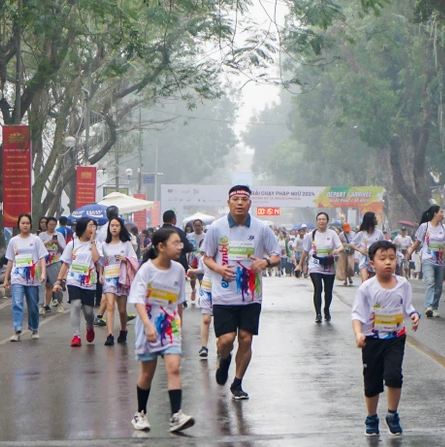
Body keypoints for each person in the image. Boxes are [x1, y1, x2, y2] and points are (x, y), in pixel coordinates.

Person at [200, 185, 282, 400]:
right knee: (226, 340)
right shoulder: (216, 228)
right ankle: (223, 358)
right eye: (235, 199)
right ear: (228, 203)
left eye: (243, 199)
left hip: (251, 295)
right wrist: (218, 268)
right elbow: (206, 257)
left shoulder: (261, 228)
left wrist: (265, 262)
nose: (239, 203)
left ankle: (237, 383)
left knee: (245, 339)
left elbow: (276, 256)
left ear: (249, 203)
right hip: (224, 295)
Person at [129, 226, 195, 433]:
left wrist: (179, 329)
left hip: (170, 327)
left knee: (173, 368)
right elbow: (138, 301)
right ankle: (140, 413)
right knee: (147, 374)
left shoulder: (179, 270)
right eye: (175, 243)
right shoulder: (146, 270)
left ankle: (176, 415)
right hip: (148, 325)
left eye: (181, 243)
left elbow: (178, 303)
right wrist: (148, 326)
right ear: (161, 246)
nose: (180, 246)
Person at [351, 240, 420, 437]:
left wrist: (414, 315)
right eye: (382, 259)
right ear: (372, 263)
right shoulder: (367, 288)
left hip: (395, 338)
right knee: (372, 381)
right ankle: (371, 417)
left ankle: (392, 413)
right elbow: (357, 315)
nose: (388, 262)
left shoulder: (403, 284)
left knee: (393, 375)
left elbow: (408, 307)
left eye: (392, 258)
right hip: (372, 339)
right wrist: (358, 334)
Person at [58, 217, 101, 347]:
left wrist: (92, 242)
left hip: (89, 281)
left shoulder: (97, 244)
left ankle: (89, 327)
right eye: (90, 226)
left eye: (94, 226)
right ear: (82, 228)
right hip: (74, 280)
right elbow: (65, 264)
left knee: (88, 311)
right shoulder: (72, 244)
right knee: (76, 305)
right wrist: (59, 280)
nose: (93, 229)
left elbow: (96, 259)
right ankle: (76, 336)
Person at [5, 214, 46, 342]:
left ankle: (34, 328)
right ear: (19, 224)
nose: (25, 225)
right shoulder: (13, 241)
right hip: (17, 277)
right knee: (17, 303)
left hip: (32, 278)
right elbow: (10, 260)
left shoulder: (36, 240)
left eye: (27, 223)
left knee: (33, 304)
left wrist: (43, 273)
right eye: (23, 223)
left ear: (31, 224)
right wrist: (6, 278)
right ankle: (17, 330)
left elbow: (42, 257)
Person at [410, 205, 445, 318]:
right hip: (427, 259)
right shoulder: (424, 227)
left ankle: (435, 307)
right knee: (430, 281)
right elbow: (417, 242)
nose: (443, 214)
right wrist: (409, 252)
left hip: (441, 261)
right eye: (441, 212)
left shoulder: (444, 228)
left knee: (438, 286)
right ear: (435, 213)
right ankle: (428, 306)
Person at [100, 216, 139, 346]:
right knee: (110, 305)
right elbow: (101, 262)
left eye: (117, 225)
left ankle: (123, 329)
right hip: (109, 277)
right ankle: (110, 334)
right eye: (112, 225)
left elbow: (134, 259)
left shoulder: (126, 244)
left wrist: (125, 259)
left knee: (122, 310)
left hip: (122, 278)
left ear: (121, 227)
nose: (114, 228)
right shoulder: (104, 245)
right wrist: (100, 274)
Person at [300, 212, 341, 323]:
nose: (321, 221)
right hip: (315, 264)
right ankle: (318, 314)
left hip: (329, 265)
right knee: (318, 288)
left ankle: (326, 309)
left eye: (323, 219)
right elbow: (305, 251)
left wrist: (337, 250)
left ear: (327, 221)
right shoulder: (311, 235)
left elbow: (340, 246)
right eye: (319, 219)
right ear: (317, 221)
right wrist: (299, 265)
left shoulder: (332, 234)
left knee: (328, 291)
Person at [39, 216, 66, 314]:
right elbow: (37, 248)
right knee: (41, 285)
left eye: (54, 225)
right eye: (50, 224)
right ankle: (41, 305)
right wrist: (47, 243)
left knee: (56, 283)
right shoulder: (41, 235)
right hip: (42, 263)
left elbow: (63, 250)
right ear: (47, 225)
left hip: (55, 261)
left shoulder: (59, 235)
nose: (52, 227)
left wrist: (57, 243)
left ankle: (59, 303)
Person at [351, 211, 386, 283]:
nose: (376, 220)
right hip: (364, 259)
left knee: (372, 281)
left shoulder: (379, 233)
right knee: (365, 280)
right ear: (370, 220)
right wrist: (360, 250)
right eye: (374, 218)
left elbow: (384, 244)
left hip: (374, 259)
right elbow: (352, 244)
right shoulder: (361, 234)